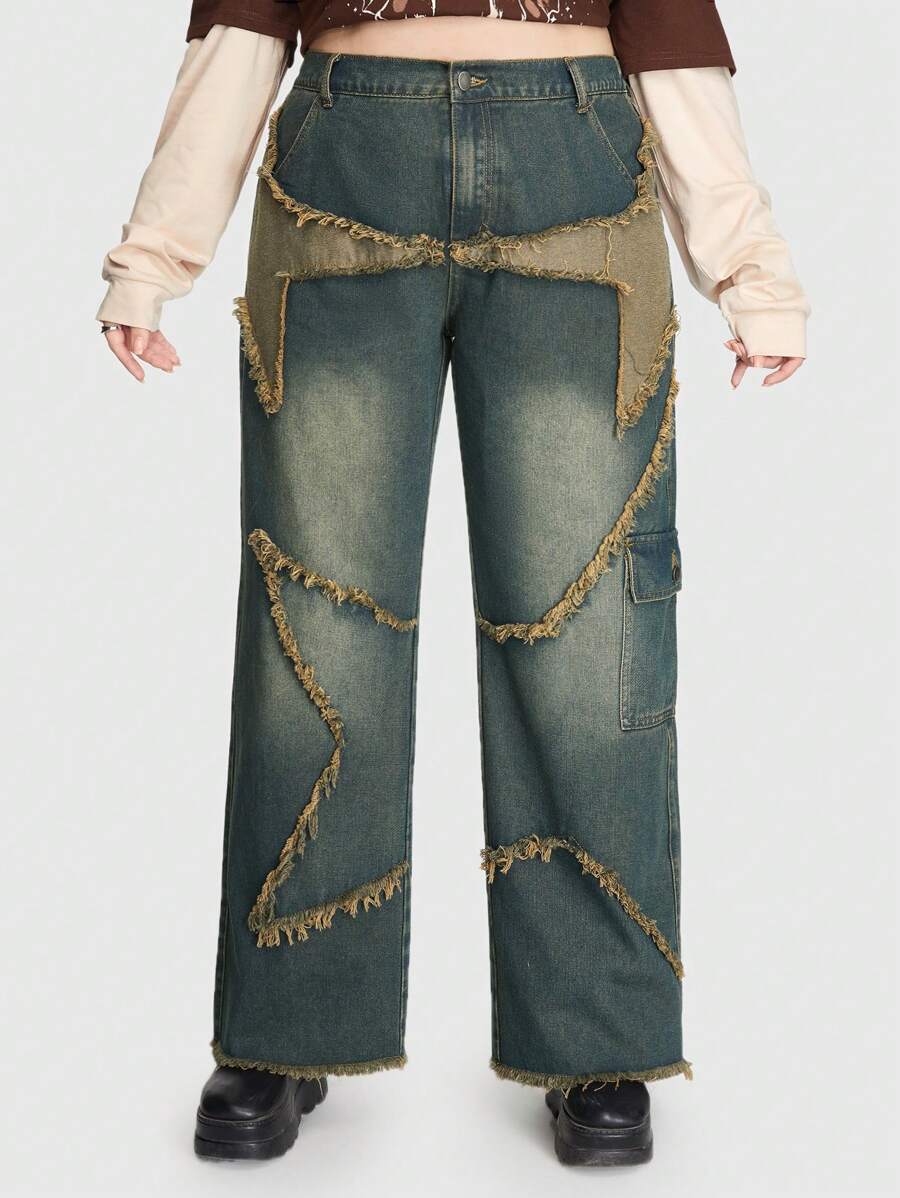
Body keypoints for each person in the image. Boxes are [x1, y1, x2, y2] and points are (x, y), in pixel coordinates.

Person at [97, 0, 808, 1168]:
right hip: (345, 152)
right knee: (313, 619)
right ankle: (284, 1028)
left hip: (574, 153)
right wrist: (154, 252)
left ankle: (598, 1041)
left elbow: (667, 20)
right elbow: (245, 18)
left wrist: (750, 268)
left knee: (586, 627)